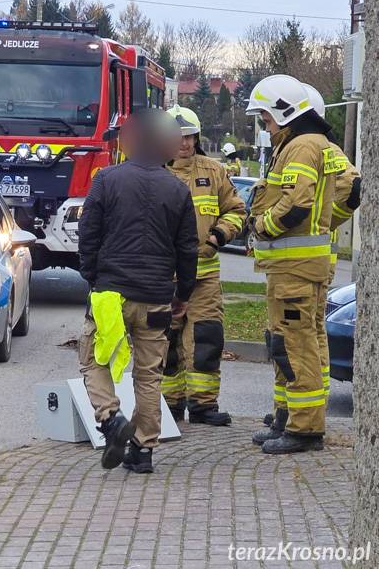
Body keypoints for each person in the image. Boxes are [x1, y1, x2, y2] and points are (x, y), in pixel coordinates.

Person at [78, 109, 198, 474]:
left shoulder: (106, 179)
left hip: (111, 294)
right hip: (157, 297)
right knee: (149, 375)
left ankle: (109, 418)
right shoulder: (177, 189)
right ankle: (143, 451)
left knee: (93, 358)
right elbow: (188, 248)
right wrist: (183, 293)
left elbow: (88, 232)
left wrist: (91, 276)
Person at [246, 74, 336, 454]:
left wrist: (261, 227)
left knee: (295, 347)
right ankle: (288, 417)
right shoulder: (310, 145)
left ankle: (304, 429)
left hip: (295, 269)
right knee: (288, 344)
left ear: (283, 112)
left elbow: (296, 204)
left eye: (266, 119)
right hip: (295, 269)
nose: (265, 127)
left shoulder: (300, 148)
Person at [162, 106, 247, 426]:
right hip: (164, 277)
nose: (184, 143)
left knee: (206, 339)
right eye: (177, 136)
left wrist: (216, 238)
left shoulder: (213, 171)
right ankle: (169, 405)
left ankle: (203, 405)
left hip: (204, 275)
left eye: (189, 136)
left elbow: (237, 211)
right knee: (165, 344)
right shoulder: (154, 171)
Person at [302, 83, 361, 400]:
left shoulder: (324, 150)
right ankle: (302, 403)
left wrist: (321, 222)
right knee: (305, 334)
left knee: (307, 334)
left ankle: (309, 404)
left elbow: (353, 190)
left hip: (311, 260)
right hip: (303, 259)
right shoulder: (304, 148)